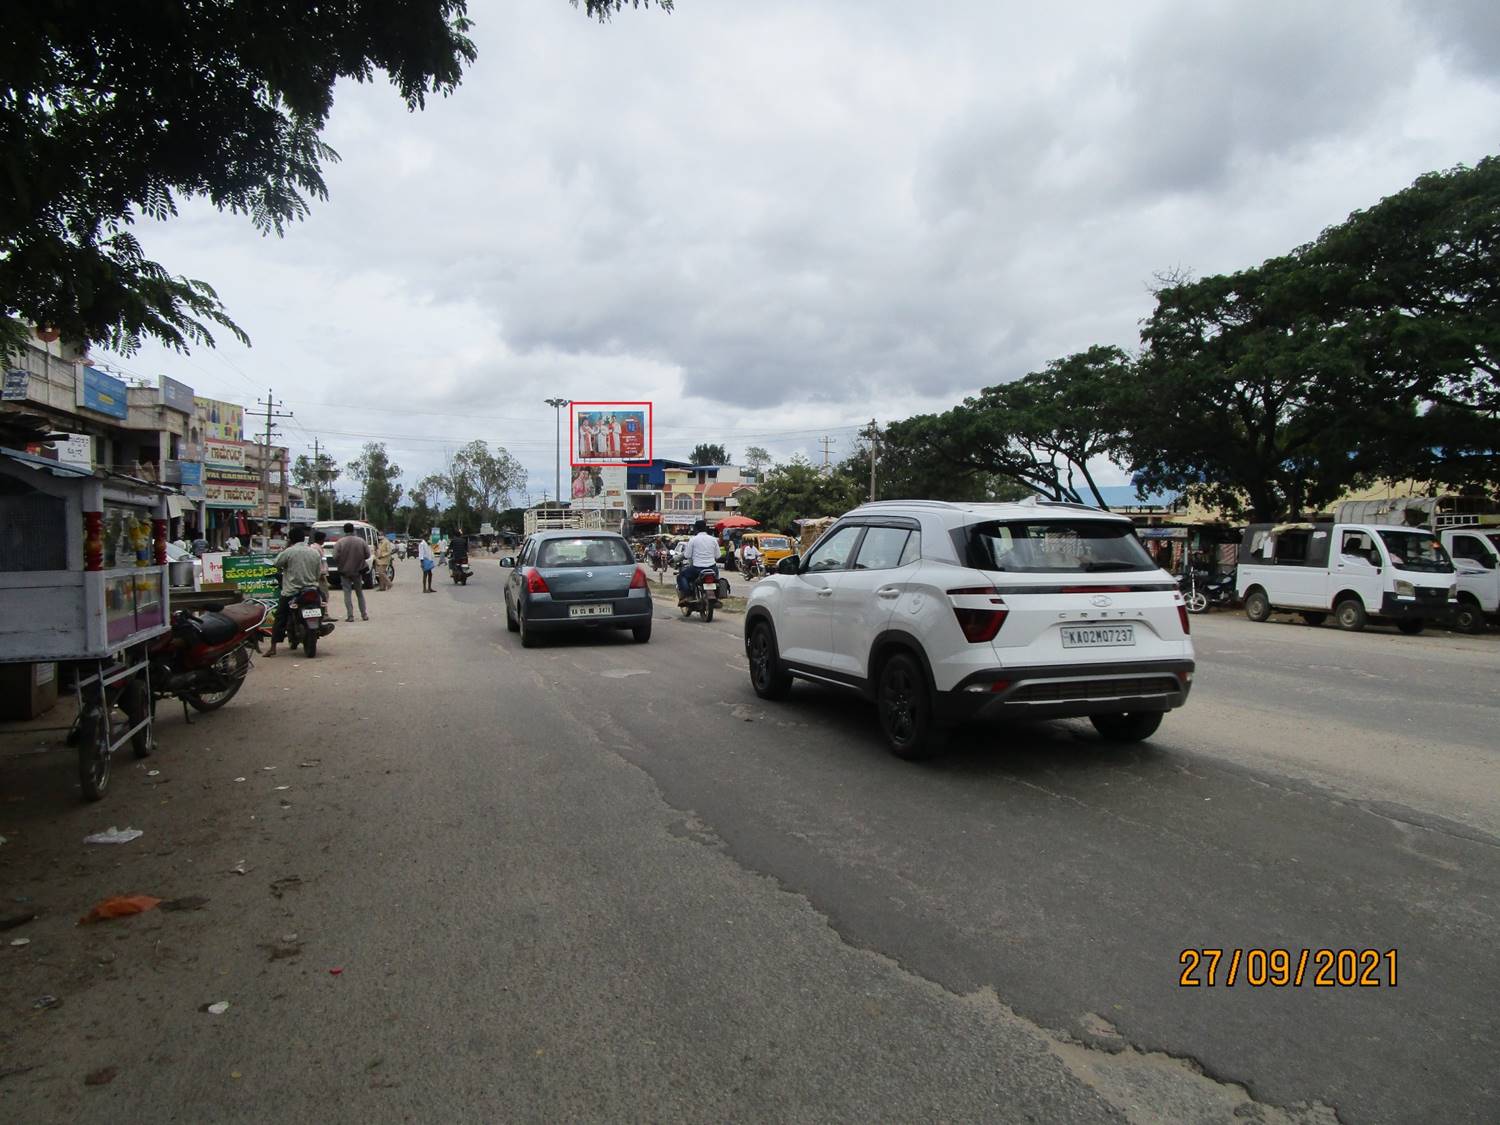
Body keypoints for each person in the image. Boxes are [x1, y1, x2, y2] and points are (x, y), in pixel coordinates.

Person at [264, 528, 323, 658]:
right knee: (322, 603)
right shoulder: (314, 553)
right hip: (312, 589)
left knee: (280, 617)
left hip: (292, 591)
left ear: (290, 539)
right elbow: (319, 573)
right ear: (304, 538)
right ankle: (321, 624)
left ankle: (273, 647)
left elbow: (276, 564)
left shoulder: (289, 552)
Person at [333, 522, 371, 621]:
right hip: (358, 571)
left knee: (347, 593)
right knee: (359, 593)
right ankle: (364, 614)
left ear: (344, 531)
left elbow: (335, 557)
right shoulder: (361, 541)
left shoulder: (340, 542)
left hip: (344, 571)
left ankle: (350, 616)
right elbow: (367, 555)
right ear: (353, 530)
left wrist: (342, 562)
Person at [677, 519, 720, 604]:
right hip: (712, 568)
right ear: (706, 528)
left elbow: (687, 555)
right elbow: (718, 556)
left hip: (697, 569)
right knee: (717, 580)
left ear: (696, 529)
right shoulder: (713, 539)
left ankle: (688, 595)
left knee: (681, 576)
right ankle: (716, 595)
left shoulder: (693, 540)